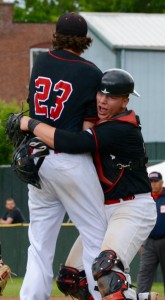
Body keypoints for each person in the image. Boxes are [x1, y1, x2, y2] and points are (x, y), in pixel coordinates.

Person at [19, 68, 157, 300]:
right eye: (100, 94)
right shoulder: (102, 122)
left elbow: (71, 142)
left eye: (111, 96)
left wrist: (31, 124)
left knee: (106, 274)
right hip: (103, 210)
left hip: (131, 209)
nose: (103, 100)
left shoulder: (121, 128)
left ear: (125, 100)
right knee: (73, 280)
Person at [19, 12, 107, 300]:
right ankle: (102, 294)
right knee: (97, 236)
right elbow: (87, 130)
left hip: (37, 159)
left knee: (39, 245)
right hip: (70, 159)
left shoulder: (41, 62)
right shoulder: (91, 72)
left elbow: (34, 112)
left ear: (56, 34)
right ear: (84, 40)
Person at [137, 171, 165, 300]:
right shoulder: (144, 199)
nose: (153, 184)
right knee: (144, 273)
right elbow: (138, 221)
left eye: (156, 181)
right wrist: (138, 242)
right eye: (151, 181)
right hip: (148, 242)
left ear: (162, 182)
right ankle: (141, 297)